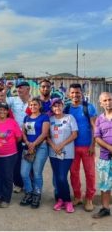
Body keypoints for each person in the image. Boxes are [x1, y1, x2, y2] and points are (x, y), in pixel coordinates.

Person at [66, 83, 97, 212]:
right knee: (74, 173)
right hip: (71, 147)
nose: (75, 95)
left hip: (87, 147)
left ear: (81, 93)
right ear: (69, 94)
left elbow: (95, 128)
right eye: (72, 93)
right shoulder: (66, 109)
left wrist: (93, 145)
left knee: (90, 174)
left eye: (77, 92)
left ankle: (89, 198)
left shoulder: (88, 107)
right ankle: (77, 196)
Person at [48, 98, 78, 213]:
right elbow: (47, 136)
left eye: (59, 105)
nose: (57, 108)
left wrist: (61, 145)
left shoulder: (69, 118)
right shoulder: (50, 120)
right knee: (57, 178)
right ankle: (60, 200)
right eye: (55, 106)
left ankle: (68, 201)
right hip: (53, 153)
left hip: (67, 153)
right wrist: (53, 146)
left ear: (63, 106)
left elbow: (75, 134)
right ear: (52, 108)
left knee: (61, 177)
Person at [0, 102, 22, 208]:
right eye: (0, 109)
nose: (2, 111)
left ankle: (6, 198)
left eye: (5, 109)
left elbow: (19, 137)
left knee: (7, 176)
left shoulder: (12, 122)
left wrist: (8, 144)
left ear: (8, 111)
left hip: (10, 155)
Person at [20, 97, 49, 208]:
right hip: (28, 147)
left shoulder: (44, 117)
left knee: (37, 173)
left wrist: (34, 144)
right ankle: (29, 192)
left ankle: (37, 194)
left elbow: (44, 133)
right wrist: (27, 142)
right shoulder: (26, 118)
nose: (33, 107)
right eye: (31, 105)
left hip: (41, 147)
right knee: (24, 173)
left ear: (39, 106)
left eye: (35, 105)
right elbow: (23, 132)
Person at [6, 80, 31, 193]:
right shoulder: (13, 100)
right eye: (18, 88)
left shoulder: (33, 101)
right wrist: (6, 88)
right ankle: (18, 184)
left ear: (28, 89)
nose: (19, 90)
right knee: (16, 162)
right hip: (15, 136)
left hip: (30, 136)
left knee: (29, 160)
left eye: (21, 88)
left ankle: (30, 184)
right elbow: (0, 101)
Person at [92, 92, 112, 219]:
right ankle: (105, 209)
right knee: (105, 185)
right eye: (105, 100)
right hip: (105, 158)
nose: (108, 102)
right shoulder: (99, 119)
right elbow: (97, 137)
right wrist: (110, 147)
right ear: (100, 103)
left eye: (110, 99)